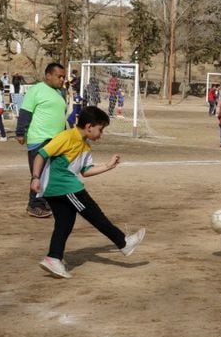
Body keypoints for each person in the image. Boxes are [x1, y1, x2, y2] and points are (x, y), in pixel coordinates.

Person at [31, 106, 146, 279]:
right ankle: (123, 242)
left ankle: (53, 258)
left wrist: (108, 166)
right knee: (95, 215)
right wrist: (35, 177)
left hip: (58, 189)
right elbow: (41, 154)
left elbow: (85, 171)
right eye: (101, 129)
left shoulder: (85, 146)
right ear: (89, 126)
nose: (101, 134)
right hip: (63, 186)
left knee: (65, 224)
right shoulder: (67, 136)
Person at [16, 63, 68, 218]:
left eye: (63, 77)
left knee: (53, 174)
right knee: (39, 174)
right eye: (59, 76)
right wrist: (20, 132)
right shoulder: (36, 90)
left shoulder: (59, 92)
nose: (62, 80)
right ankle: (34, 205)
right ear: (48, 75)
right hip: (40, 138)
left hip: (56, 140)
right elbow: (25, 112)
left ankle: (47, 202)